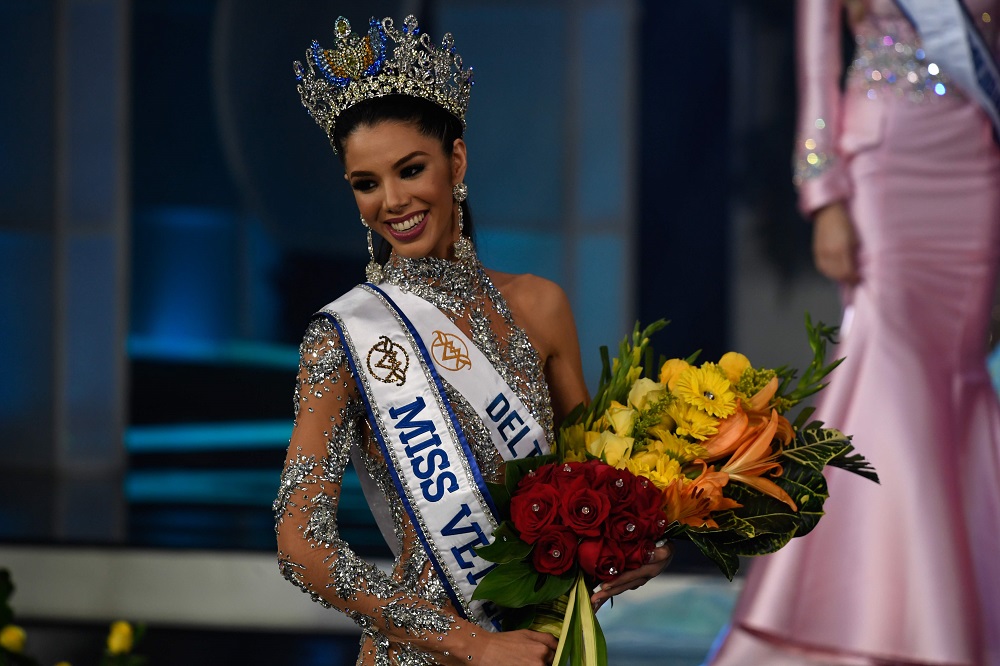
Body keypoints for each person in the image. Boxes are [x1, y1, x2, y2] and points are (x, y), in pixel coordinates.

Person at [273, 15, 672, 665]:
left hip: (541, 645)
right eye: (366, 183)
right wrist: (473, 644)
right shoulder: (345, 337)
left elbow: (597, 485)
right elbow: (300, 544)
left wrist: (640, 539)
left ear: (455, 161)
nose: (391, 201)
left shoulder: (540, 306)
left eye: (410, 169)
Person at [708, 1, 1000, 665]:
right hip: (885, 163)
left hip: (976, 168)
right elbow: (816, 73)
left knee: (958, 382)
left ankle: (963, 610)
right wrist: (825, 197)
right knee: (892, 375)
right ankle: (892, 621)